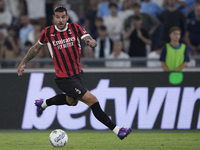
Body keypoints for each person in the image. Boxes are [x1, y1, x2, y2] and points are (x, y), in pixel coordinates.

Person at [17, 6, 131, 140]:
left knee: (71, 102)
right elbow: (36, 48)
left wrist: (91, 42)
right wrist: (23, 62)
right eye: (58, 17)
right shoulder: (48, 32)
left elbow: (88, 38)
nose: (60, 20)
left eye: (63, 17)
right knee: (92, 101)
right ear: (54, 18)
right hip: (64, 78)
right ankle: (118, 131)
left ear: (67, 17)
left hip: (77, 74)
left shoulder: (75, 28)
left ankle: (42, 104)